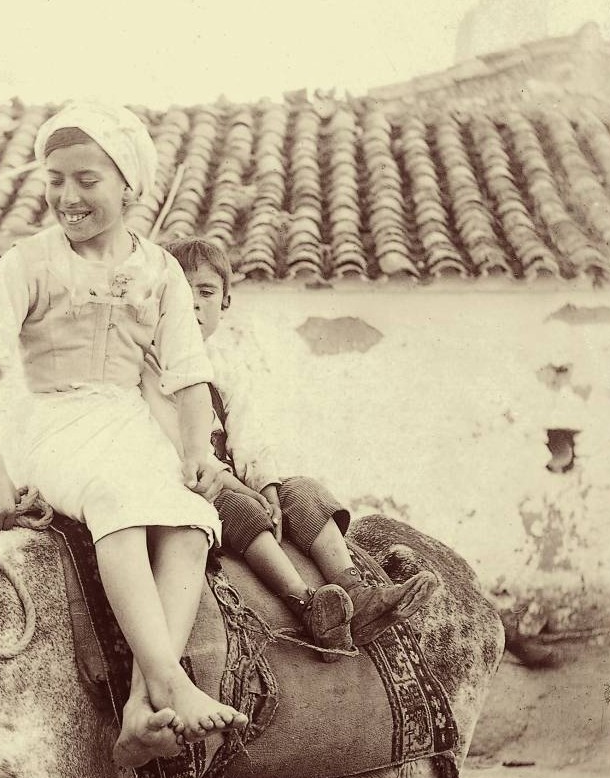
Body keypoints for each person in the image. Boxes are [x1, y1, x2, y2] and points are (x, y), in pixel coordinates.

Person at [0, 102, 246, 768]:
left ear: (126, 184)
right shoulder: (27, 263)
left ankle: (144, 708)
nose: (66, 194)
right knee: (115, 497)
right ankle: (170, 679)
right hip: (54, 421)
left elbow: (188, 376)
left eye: (86, 178)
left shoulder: (160, 272)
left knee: (190, 516)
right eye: (54, 178)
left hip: (129, 423)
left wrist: (196, 452)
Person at [157, 236, 438, 651]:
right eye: (180, 292)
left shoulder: (228, 366)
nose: (194, 304)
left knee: (302, 491)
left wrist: (267, 484)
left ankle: (354, 590)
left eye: (206, 292)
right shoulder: (154, 367)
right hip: (194, 483)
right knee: (238, 508)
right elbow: (178, 445)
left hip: (239, 478)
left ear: (225, 303)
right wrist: (245, 491)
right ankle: (305, 604)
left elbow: (249, 431)